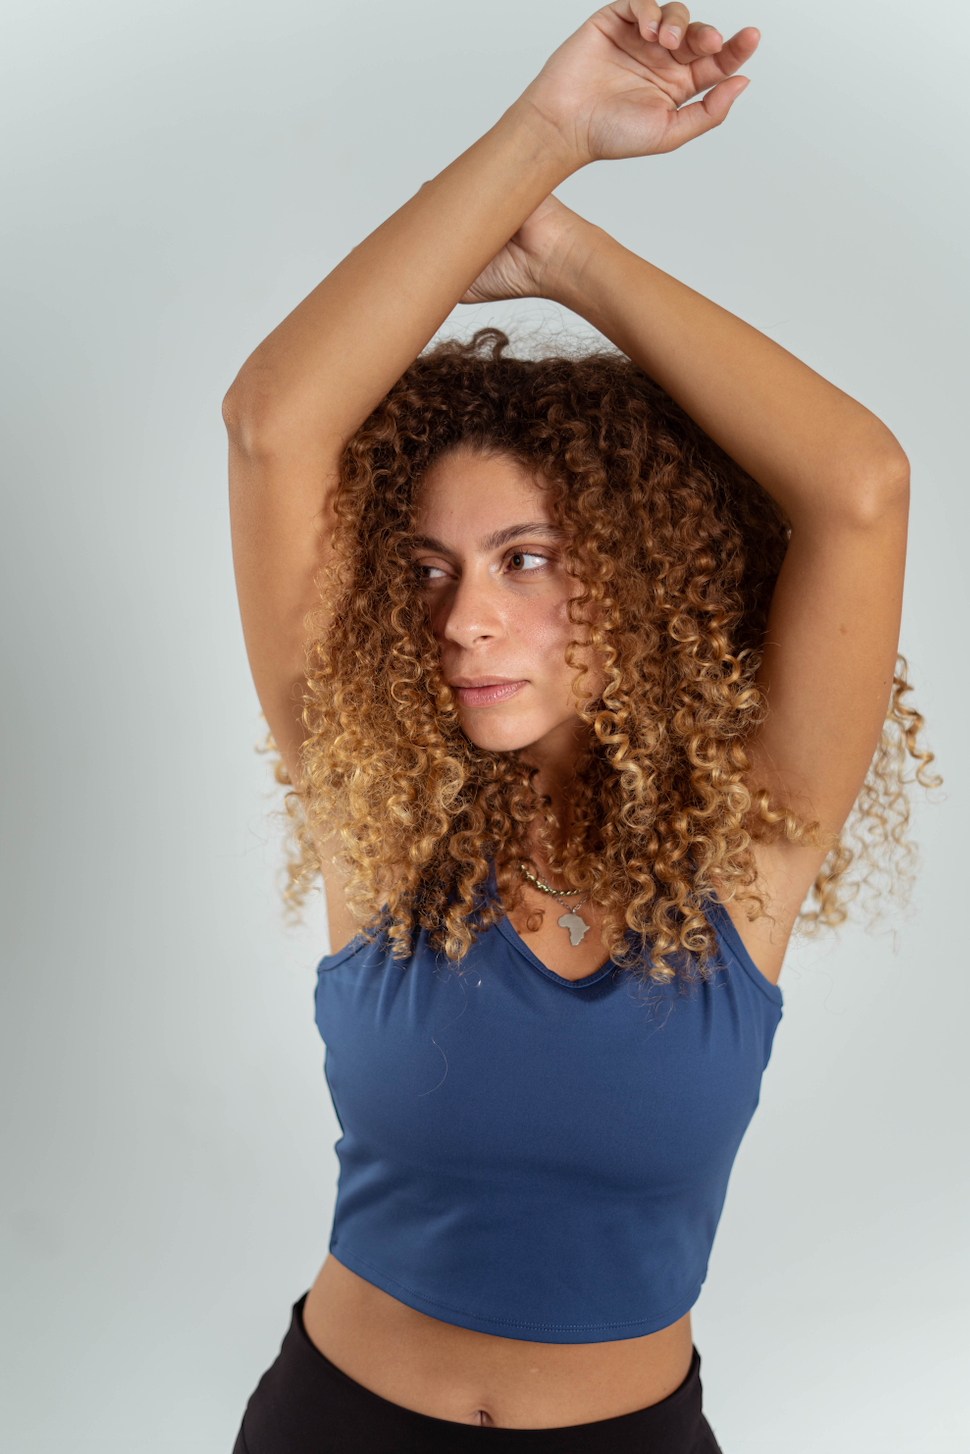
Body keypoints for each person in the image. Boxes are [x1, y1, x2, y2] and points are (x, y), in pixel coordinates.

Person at [223, 4, 936, 1449]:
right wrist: (542, 130)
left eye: (526, 560)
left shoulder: (751, 835)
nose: (463, 618)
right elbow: (272, 429)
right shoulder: (382, 804)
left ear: (639, 577)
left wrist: (561, 250)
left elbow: (859, 484)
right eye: (425, 571)